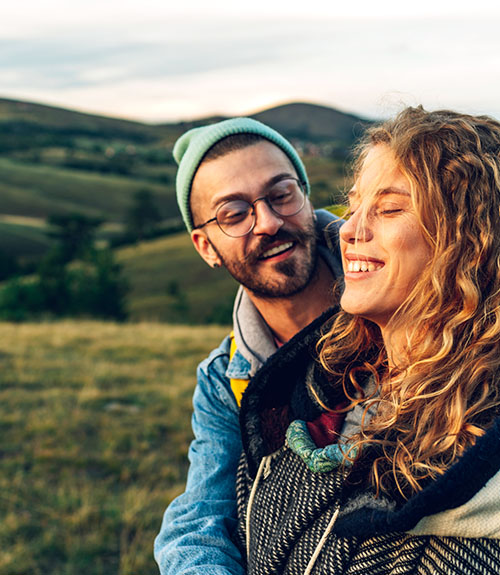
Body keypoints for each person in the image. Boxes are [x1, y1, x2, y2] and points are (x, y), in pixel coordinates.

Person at [234, 107, 500, 574]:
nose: (350, 230)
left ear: (469, 239)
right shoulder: (316, 384)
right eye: (353, 205)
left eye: (390, 208)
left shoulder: (479, 466)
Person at [154, 117, 344, 574]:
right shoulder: (225, 380)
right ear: (205, 247)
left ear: (305, 193)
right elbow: (198, 521)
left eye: (281, 195)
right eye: (234, 214)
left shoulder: (407, 303)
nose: (269, 222)